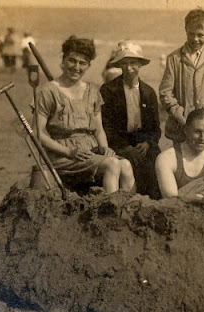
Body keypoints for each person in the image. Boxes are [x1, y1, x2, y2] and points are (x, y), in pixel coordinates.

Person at [35, 36, 135, 194]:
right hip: (63, 155)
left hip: (90, 151)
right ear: (63, 60)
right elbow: (39, 135)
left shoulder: (92, 91)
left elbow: (98, 130)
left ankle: (124, 210)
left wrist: (104, 147)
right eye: (72, 61)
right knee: (112, 165)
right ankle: (108, 212)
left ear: (88, 66)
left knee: (126, 165)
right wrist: (69, 152)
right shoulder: (48, 91)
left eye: (82, 63)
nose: (76, 67)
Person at [159, 7, 204, 150]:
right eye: (191, 34)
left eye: (200, 35)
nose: (195, 39)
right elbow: (165, 92)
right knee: (182, 167)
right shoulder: (174, 58)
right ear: (185, 30)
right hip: (181, 128)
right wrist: (180, 115)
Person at [100, 41, 161, 199]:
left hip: (142, 140)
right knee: (130, 159)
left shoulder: (149, 92)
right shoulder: (109, 90)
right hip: (118, 140)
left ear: (140, 64)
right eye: (124, 63)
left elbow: (155, 128)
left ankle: (153, 201)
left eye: (133, 63)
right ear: (119, 65)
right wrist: (124, 147)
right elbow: (106, 126)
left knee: (156, 160)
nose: (128, 68)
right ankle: (130, 199)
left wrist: (148, 142)